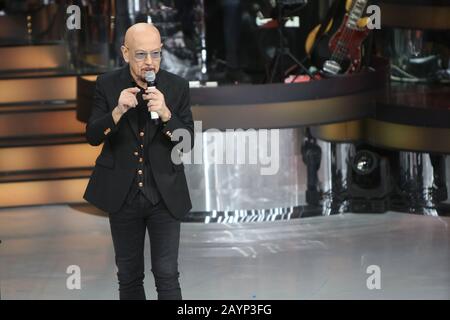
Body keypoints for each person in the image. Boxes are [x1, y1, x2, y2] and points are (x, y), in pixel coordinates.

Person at [83, 23, 194, 300]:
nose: (149, 63)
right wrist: (117, 111)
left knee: (167, 274)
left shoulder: (176, 86)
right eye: (141, 54)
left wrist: (167, 114)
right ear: (125, 53)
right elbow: (93, 136)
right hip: (123, 195)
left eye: (155, 54)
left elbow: (187, 143)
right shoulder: (107, 84)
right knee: (129, 276)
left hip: (164, 196)